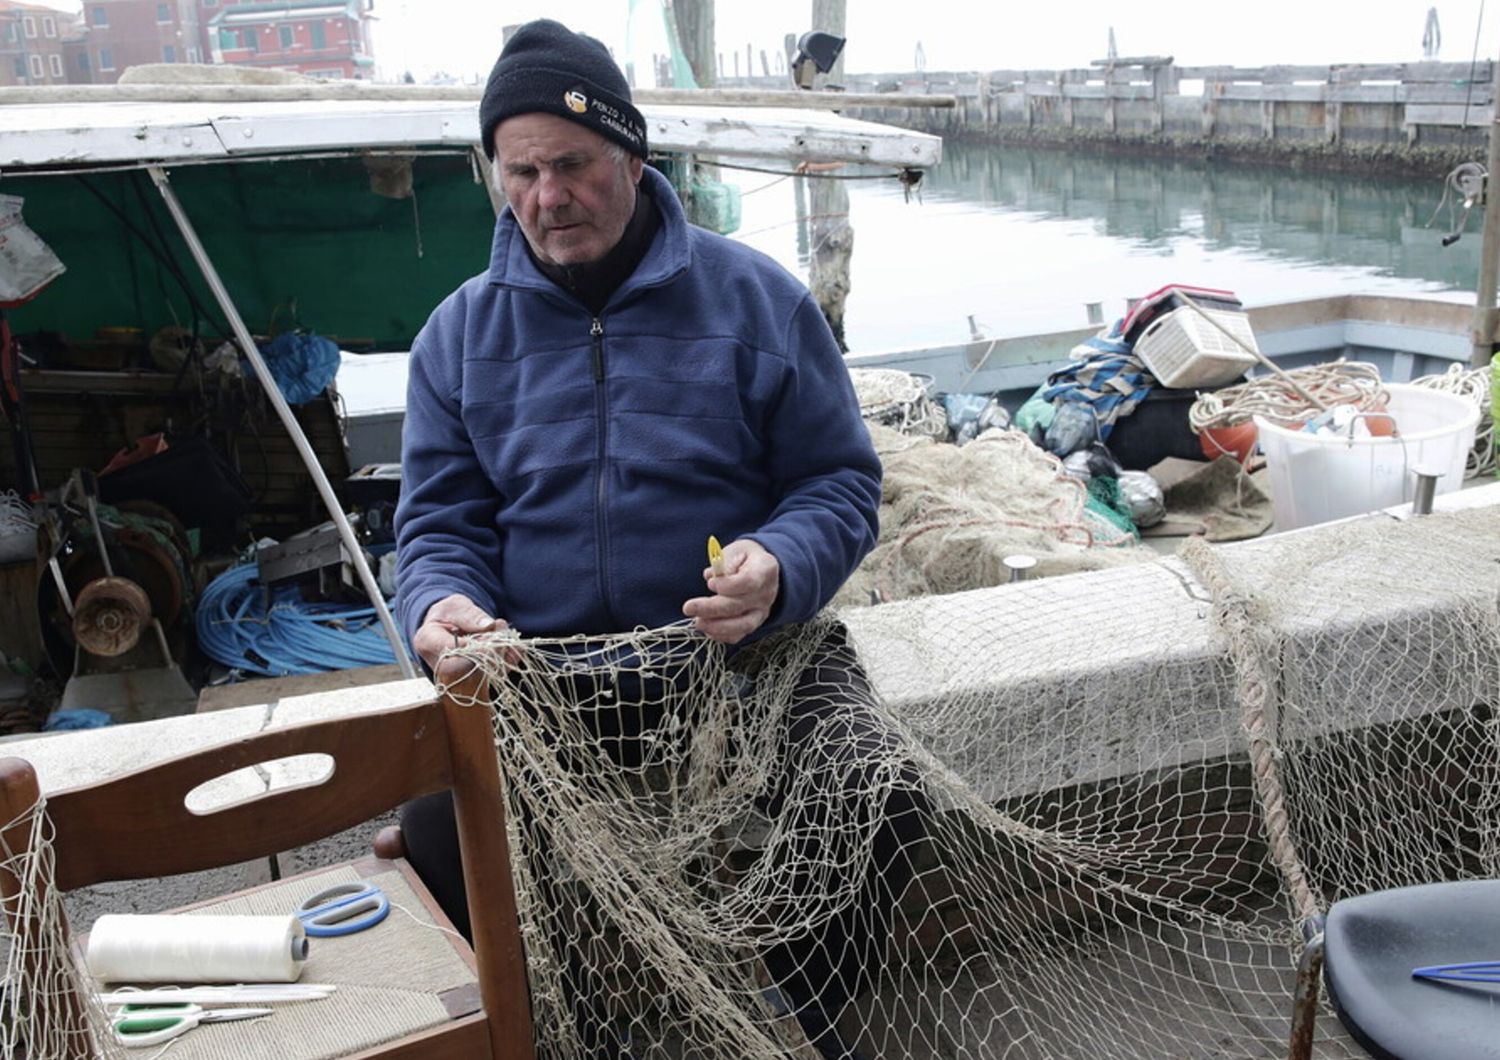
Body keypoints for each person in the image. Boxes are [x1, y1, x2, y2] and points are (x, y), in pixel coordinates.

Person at [394, 19, 922, 1059]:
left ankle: (809, 1016)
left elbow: (838, 481)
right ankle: (568, 1026)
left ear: (634, 157)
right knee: (431, 836)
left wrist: (779, 565)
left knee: (875, 793)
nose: (550, 197)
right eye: (523, 172)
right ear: (497, 176)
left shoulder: (757, 299)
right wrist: (438, 605)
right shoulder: (456, 335)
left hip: (741, 660)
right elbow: (438, 526)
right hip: (541, 671)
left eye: (577, 165)